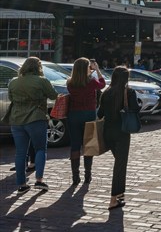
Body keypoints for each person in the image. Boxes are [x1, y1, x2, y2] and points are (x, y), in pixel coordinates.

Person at [7, 56, 58, 194]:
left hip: (17, 120)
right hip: (36, 118)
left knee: (20, 153)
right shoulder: (42, 81)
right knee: (40, 149)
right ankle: (39, 181)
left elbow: (11, 98)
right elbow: (53, 95)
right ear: (38, 67)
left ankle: (22, 185)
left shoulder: (14, 82)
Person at [97, 66, 140, 210]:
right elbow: (135, 108)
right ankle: (113, 199)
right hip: (122, 132)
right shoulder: (129, 92)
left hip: (107, 133)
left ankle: (120, 194)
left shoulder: (106, 93)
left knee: (119, 164)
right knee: (120, 166)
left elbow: (100, 113)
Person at [67, 57, 106, 185]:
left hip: (73, 115)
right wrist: (97, 69)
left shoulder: (70, 82)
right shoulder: (91, 81)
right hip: (89, 115)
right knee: (88, 145)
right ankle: (87, 175)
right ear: (86, 68)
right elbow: (103, 84)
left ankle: (75, 176)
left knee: (75, 145)